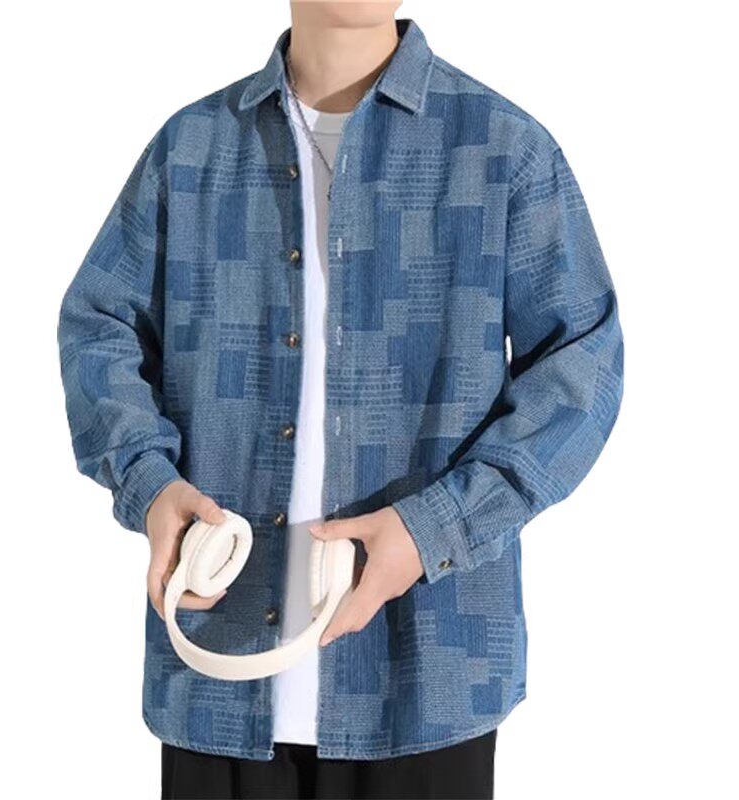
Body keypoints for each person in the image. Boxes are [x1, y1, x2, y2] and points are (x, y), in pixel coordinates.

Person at [57, 2, 623, 798]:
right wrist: (150, 486)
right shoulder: (191, 149)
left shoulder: (504, 151)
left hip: (427, 680)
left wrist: (433, 530)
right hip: (217, 675)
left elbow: (581, 370)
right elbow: (99, 328)